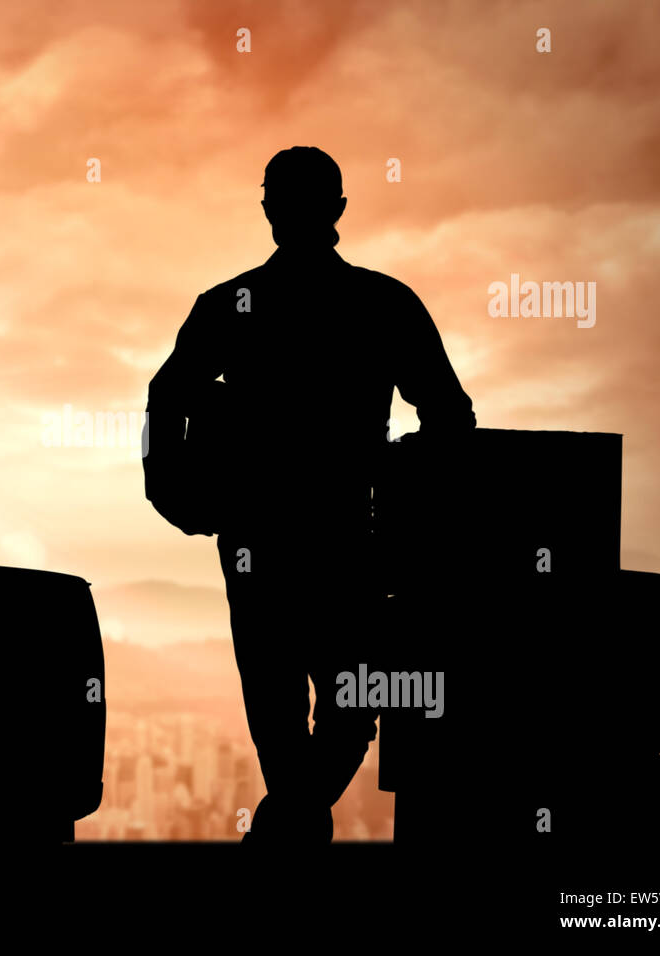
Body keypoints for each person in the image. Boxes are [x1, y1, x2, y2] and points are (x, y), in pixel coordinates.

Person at [144, 146, 476, 842]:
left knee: (282, 715)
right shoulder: (382, 303)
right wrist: (403, 496)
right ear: (339, 211)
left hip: (266, 545)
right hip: (343, 540)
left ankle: (286, 827)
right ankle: (293, 825)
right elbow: (450, 419)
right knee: (343, 711)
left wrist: (173, 492)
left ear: (268, 209)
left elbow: (166, 396)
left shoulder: (234, 305)